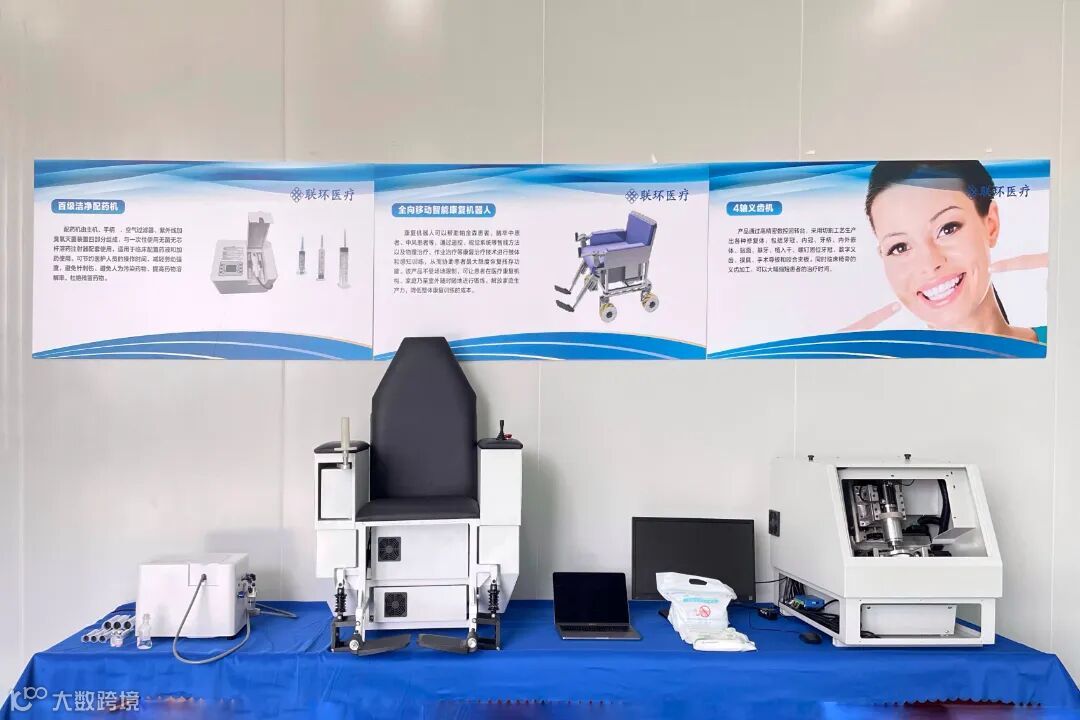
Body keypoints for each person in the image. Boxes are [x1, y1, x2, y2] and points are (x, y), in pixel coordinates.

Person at [845, 160, 1046, 343]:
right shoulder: (879, 369)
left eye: (947, 229)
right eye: (900, 247)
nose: (929, 264)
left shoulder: (1060, 345)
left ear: (990, 224)